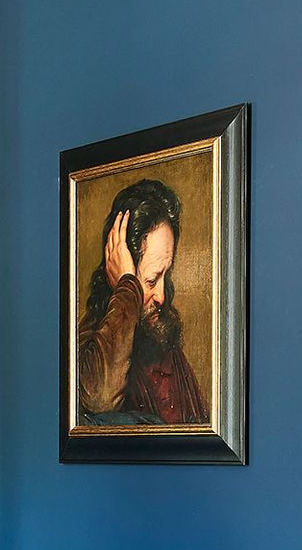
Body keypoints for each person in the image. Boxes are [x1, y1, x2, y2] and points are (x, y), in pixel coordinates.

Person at [77, 177, 206, 426]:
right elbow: (99, 400)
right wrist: (128, 287)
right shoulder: (93, 342)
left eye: (165, 276)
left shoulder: (159, 335)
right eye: (150, 280)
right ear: (118, 271)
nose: (162, 296)